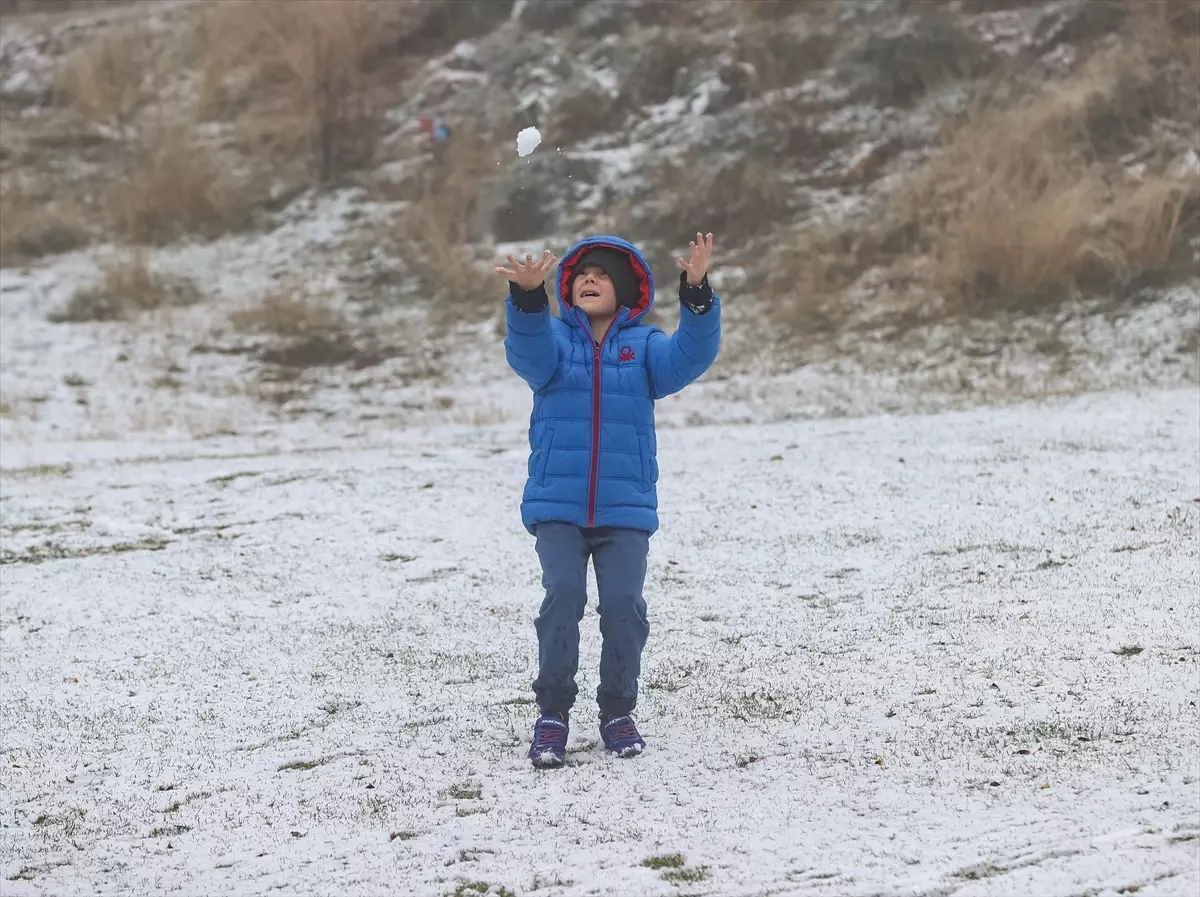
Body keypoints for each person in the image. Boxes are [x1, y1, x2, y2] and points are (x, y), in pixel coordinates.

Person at [495, 233, 721, 768]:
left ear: (625, 291)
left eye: (600, 276)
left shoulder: (645, 349)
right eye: (579, 277)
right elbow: (526, 353)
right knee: (562, 598)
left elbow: (693, 354)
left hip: (625, 508)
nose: (588, 281)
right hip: (558, 505)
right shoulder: (552, 343)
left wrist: (696, 293)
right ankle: (552, 715)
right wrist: (529, 300)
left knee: (623, 607)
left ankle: (618, 711)